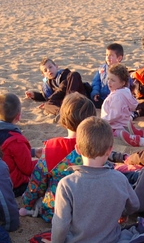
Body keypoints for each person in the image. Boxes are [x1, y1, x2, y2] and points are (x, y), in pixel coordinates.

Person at [40, 117, 140, 243]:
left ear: (77, 149)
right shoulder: (119, 178)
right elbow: (135, 205)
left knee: (66, 242)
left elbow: (61, 222)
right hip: (108, 242)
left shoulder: (67, 184)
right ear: (110, 150)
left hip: (76, 242)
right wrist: (123, 212)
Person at [20, 93, 96, 222]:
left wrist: (27, 202)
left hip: (57, 212)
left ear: (64, 120)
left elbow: (37, 182)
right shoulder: (97, 147)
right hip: (89, 212)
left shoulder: (53, 148)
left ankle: (33, 209)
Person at [0, 93, 33, 197]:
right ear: (18, 116)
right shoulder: (16, 140)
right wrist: (41, 161)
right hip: (11, 186)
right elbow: (27, 169)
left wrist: (32, 152)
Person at [100, 64, 142, 140]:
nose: (109, 82)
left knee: (110, 134)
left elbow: (115, 114)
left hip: (116, 125)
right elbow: (133, 105)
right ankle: (137, 133)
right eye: (108, 79)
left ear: (122, 83)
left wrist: (103, 120)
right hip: (125, 123)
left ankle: (137, 139)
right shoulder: (125, 91)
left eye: (113, 80)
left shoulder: (117, 96)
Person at [90, 43, 124, 107]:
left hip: (114, 99)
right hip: (101, 97)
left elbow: (126, 86)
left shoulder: (121, 71)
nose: (108, 57)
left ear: (119, 58)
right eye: (107, 55)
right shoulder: (102, 68)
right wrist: (95, 93)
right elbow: (96, 82)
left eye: (111, 55)